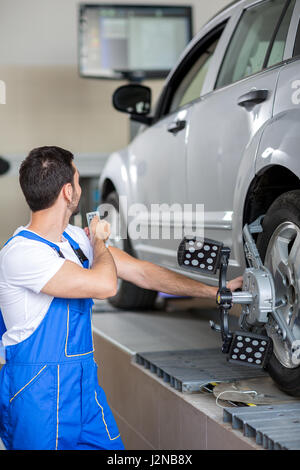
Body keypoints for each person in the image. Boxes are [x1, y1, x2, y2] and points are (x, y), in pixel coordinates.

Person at [0, 146, 242, 450]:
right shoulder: (22, 253)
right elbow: (105, 286)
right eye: (76, 180)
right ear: (67, 192)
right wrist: (100, 241)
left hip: (82, 388)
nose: (78, 188)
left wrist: (214, 292)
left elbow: (141, 273)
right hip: (37, 395)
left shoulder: (75, 240)